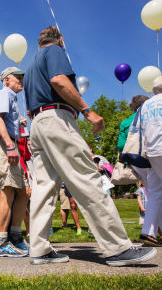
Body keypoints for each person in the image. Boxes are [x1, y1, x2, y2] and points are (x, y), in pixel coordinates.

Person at [23, 26, 156, 266]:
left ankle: (39, 249)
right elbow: (58, 80)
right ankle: (117, 248)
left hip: (37, 124)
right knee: (87, 178)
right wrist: (87, 111)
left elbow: (29, 105)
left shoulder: (31, 65)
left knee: (43, 187)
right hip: (56, 118)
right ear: (60, 39)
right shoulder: (54, 50)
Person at [0, 67, 28, 258]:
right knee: (8, 190)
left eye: (22, 78)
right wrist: (10, 145)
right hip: (4, 145)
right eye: (17, 78)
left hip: (11, 144)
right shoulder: (5, 93)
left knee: (22, 192)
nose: (21, 80)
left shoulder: (12, 98)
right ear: (6, 81)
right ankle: (1, 243)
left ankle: (15, 237)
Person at [137, 78, 162, 247]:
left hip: (152, 151)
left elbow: (139, 129)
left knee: (155, 192)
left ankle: (148, 232)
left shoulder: (145, 105)